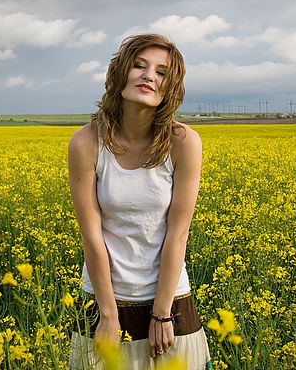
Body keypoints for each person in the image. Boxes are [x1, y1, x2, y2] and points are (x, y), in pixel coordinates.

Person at [67, 33, 212, 369]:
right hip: (104, 301)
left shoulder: (184, 142)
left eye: (161, 72)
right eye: (139, 66)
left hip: (170, 301)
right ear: (121, 73)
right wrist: (108, 314)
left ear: (170, 88)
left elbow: (178, 233)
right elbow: (91, 234)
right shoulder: (85, 143)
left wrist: (162, 314)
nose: (149, 76)